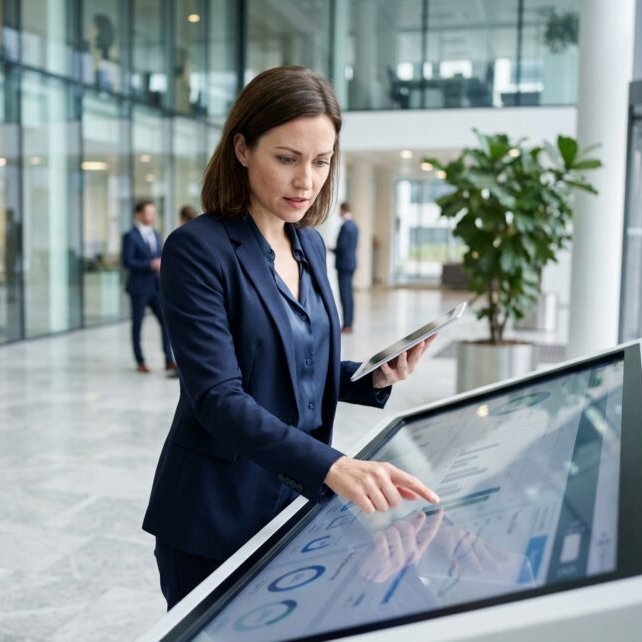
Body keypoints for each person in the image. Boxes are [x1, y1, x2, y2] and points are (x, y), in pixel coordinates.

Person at [142, 66, 438, 609]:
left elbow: (300, 362)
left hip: (294, 504)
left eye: (321, 162)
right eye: (287, 158)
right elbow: (218, 397)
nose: (307, 181)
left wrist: (368, 377)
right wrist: (332, 466)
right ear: (242, 149)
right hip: (216, 515)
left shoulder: (310, 246)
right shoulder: (197, 249)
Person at [121, 200, 175, 374]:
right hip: (138, 287)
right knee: (137, 325)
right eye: (147, 213)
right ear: (138, 214)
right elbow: (127, 261)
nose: (150, 216)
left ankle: (168, 360)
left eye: (153, 213)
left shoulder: (156, 234)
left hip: (156, 287)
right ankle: (140, 361)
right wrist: (149, 264)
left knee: (166, 323)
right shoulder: (130, 236)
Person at [334, 201, 358, 333]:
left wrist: (332, 249)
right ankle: (349, 323)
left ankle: (347, 324)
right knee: (349, 294)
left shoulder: (345, 226)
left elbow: (341, 247)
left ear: (343, 210)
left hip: (343, 264)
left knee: (344, 295)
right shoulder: (354, 225)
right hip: (351, 263)